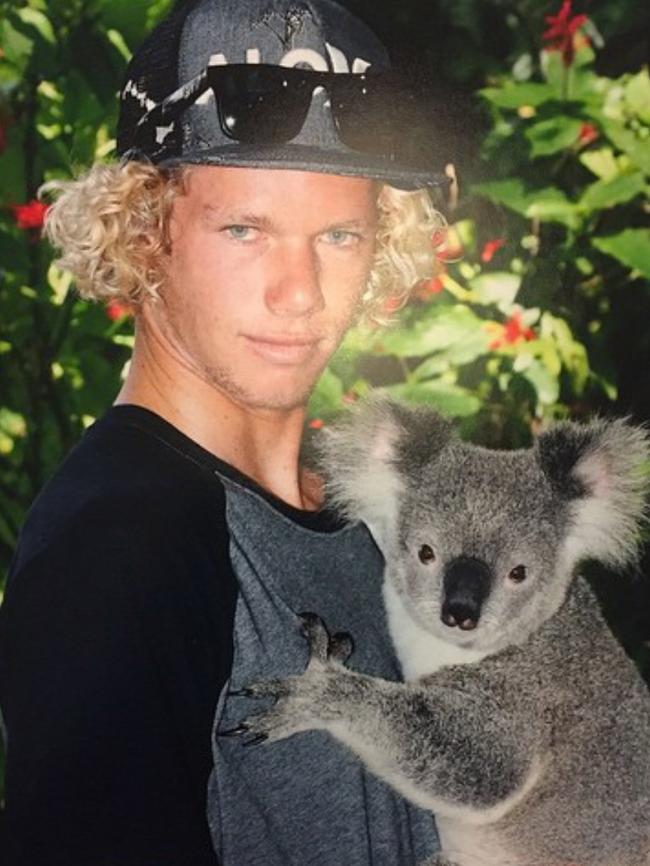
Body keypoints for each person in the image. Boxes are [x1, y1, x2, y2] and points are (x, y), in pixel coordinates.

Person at [0, 0, 451, 863]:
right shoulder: (122, 546)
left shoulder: (371, 510)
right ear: (145, 228)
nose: (300, 292)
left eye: (339, 235)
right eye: (246, 229)